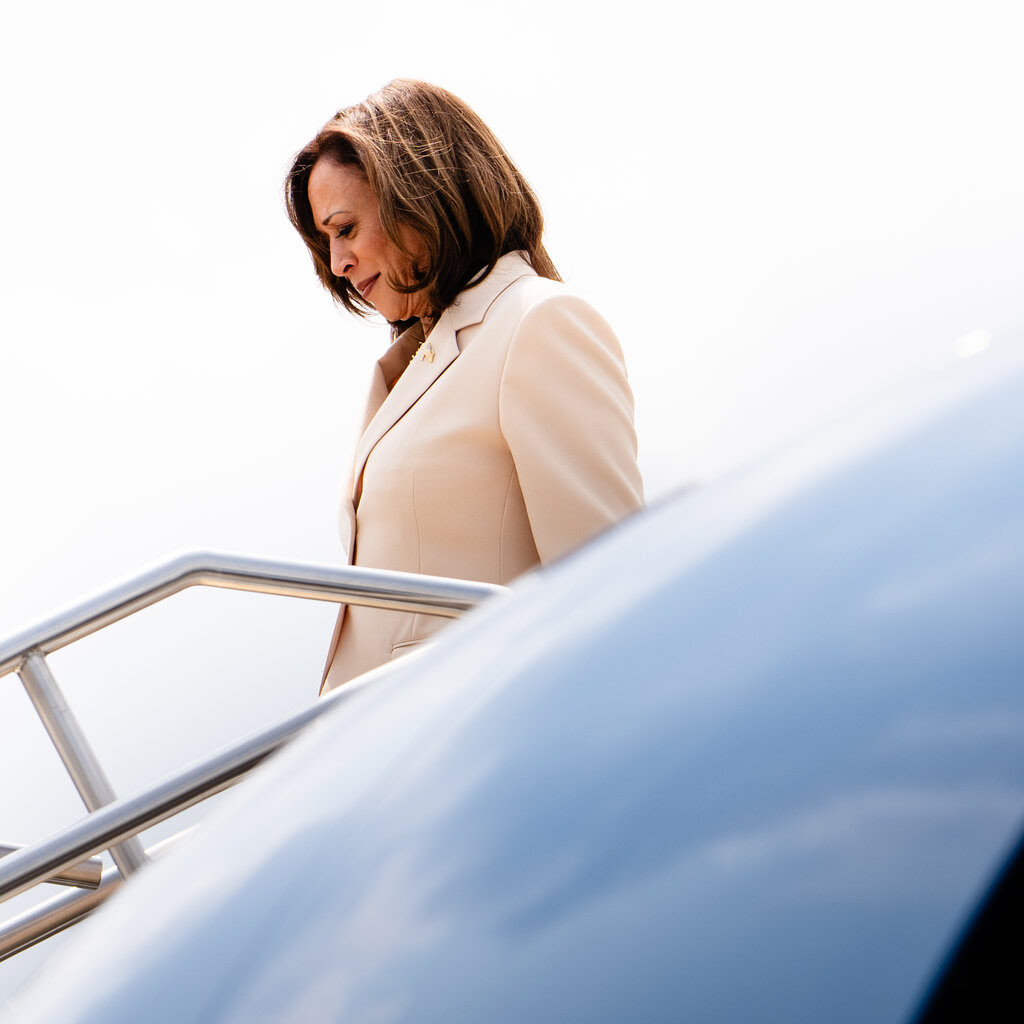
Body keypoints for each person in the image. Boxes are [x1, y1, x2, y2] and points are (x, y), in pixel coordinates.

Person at [285, 79, 644, 693]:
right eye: (326, 240)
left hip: (486, 731)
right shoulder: (413, 363)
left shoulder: (537, 321)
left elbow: (612, 592)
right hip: (404, 749)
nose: (336, 262)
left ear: (418, 197)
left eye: (344, 228)